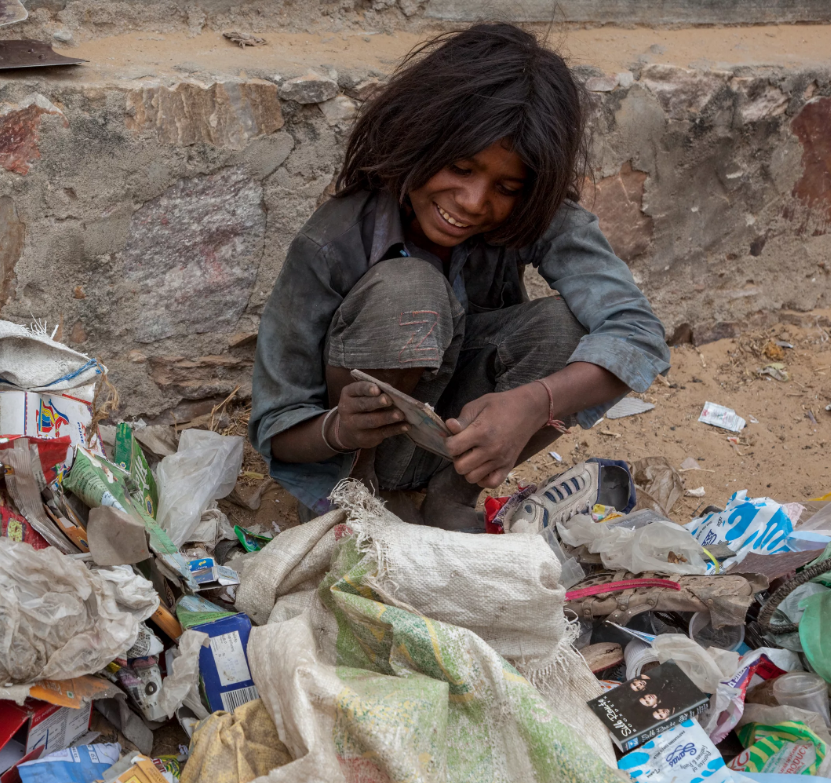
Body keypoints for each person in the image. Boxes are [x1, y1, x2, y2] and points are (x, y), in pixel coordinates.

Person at [248, 23, 670, 529]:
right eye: (460, 168)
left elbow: (639, 336)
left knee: (569, 327)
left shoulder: (534, 215)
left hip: (454, 443)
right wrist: (341, 428)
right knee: (409, 289)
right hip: (349, 454)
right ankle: (357, 498)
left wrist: (535, 403)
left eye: (507, 186)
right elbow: (277, 430)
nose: (472, 203)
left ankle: (448, 498)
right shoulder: (332, 242)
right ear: (419, 140)